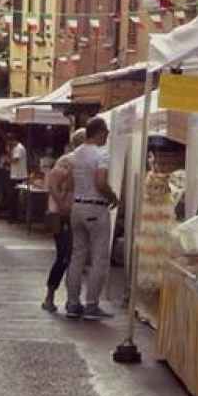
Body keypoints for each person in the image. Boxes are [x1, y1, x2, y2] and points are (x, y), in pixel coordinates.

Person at [61, 116, 118, 320]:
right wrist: (113, 197)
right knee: (99, 258)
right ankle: (92, 304)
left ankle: (72, 302)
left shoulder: (74, 154)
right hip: (96, 207)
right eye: (107, 133)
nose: (107, 136)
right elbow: (101, 182)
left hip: (77, 207)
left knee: (77, 256)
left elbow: (68, 183)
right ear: (100, 132)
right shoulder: (101, 154)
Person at [42, 128, 86, 313]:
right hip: (62, 215)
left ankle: (71, 299)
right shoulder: (68, 161)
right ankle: (50, 296)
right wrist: (62, 206)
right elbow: (52, 185)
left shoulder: (82, 161)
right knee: (64, 256)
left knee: (72, 257)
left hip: (72, 213)